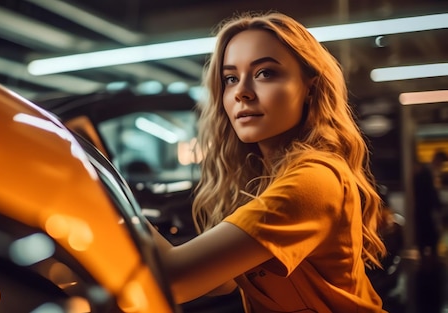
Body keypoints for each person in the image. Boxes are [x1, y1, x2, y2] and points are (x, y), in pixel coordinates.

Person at [147, 11, 387, 312]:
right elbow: (222, 281)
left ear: (309, 88)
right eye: (230, 79)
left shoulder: (312, 181)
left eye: (265, 73)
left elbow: (174, 281)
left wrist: (101, 195)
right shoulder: (267, 178)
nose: (242, 93)